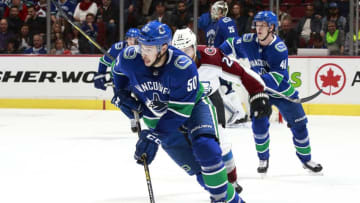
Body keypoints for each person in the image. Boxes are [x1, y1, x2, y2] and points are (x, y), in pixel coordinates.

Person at [111, 21, 245, 203]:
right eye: (142, 46)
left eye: (149, 48)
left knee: (207, 148)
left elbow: (180, 112)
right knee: (198, 171)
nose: (143, 52)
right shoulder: (129, 57)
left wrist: (155, 135)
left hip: (194, 107)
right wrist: (121, 92)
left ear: (164, 47)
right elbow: (117, 71)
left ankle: (224, 199)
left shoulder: (182, 66)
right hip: (156, 116)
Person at [220, 11, 323, 175]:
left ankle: (306, 159)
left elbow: (275, 78)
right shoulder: (248, 40)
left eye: (263, 26)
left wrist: (249, 77)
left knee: (300, 125)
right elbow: (231, 43)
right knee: (259, 126)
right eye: (257, 25)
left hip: (283, 93)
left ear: (272, 27)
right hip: (260, 93)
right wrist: (218, 56)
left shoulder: (279, 48)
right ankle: (263, 158)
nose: (258, 29)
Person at [172, 27, 270, 193]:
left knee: (222, 144)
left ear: (195, 46)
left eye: (187, 49)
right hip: (185, 106)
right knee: (196, 149)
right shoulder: (169, 65)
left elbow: (241, 72)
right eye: (179, 51)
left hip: (210, 102)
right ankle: (212, 180)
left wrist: (258, 91)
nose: (184, 55)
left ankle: (231, 181)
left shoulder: (212, 57)